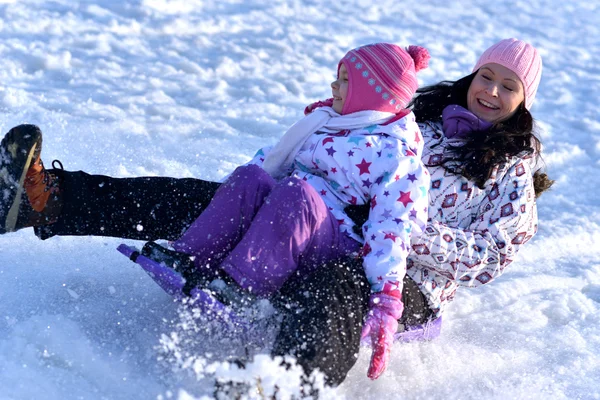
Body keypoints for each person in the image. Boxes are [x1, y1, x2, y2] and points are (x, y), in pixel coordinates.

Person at [0, 38, 554, 387]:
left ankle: (286, 381)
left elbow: (491, 256)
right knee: (225, 196)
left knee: (340, 284)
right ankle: (47, 198)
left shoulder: (512, 175)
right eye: (488, 76)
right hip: (319, 217)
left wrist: (406, 231)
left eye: (508, 86)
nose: (491, 91)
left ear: (523, 101)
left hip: (404, 279)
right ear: (474, 74)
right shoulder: (419, 116)